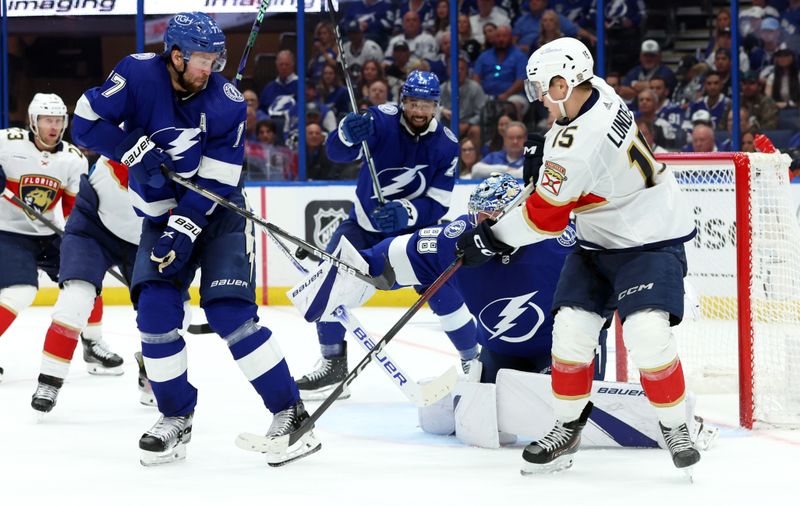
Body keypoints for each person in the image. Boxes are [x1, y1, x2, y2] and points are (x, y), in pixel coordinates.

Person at [289, 174, 715, 451]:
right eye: (483, 218)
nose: (489, 227)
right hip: (500, 353)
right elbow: (381, 263)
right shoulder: (454, 241)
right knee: (451, 423)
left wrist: (669, 289)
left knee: (558, 412)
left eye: (501, 218)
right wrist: (337, 273)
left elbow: (621, 264)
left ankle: (672, 416)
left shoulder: (564, 240)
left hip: (566, 353)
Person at [71, 12, 320, 467]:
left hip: (218, 215)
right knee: (155, 316)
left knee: (231, 316)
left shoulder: (227, 102)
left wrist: (183, 232)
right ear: (178, 55)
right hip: (157, 215)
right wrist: (132, 150)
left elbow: (220, 181)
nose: (213, 67)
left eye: (217, 58)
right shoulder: (135, 73)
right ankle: (175, 417)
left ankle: (291, 411)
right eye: (205, 59)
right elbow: (83, 124)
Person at [454, 37, 701, 475]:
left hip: (650, 239)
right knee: (568, 334)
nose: (540, 101)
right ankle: (567, 428)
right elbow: (565, 165)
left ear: (564, 82)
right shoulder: (599, 91)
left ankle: (676, 425)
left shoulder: (576, 146)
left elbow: (544, 221)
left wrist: (490, 238)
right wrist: (545, 157)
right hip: (598, 239)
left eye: (543, 89)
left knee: (646, 333)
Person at [294, 70, 478, 400]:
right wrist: (347, 135)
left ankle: (473, 361)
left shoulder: (447, 145)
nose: (419, 111)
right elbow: (336, 153)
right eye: (413, 103)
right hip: (362, 227)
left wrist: (406, 212)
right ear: (402, 100)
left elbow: (438, 202)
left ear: (437, 106)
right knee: (328, 282)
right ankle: (333, 367)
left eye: (427, 104)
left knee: (440, 287)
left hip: (414, 232)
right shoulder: (380, 120)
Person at [0, 93, 115, 382]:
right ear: (32, 121)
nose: (53, 126)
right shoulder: (7, 141)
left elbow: (72, 208)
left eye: (58, 120)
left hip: (48, 233)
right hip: (8, 232)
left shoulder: (73, 159)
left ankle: (93, 343)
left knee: (86, 278)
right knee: (21, 291)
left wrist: (80, 241)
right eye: (47, 120)